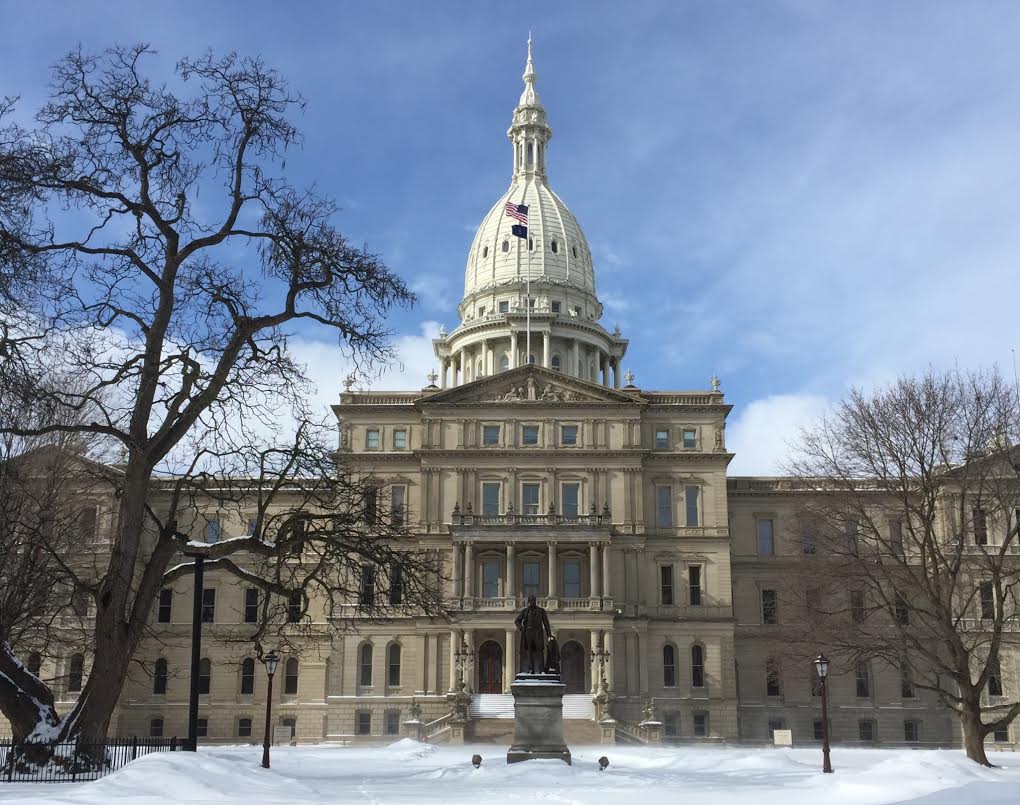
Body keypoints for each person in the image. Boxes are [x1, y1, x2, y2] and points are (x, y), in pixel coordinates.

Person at [515, 594, 552, 674]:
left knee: (540, 651)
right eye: (531, 601)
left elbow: (546, 623)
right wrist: (521, 628)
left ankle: (541, 670)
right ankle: (531, 669)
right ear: (529, 602)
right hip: (528, 633)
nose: (532, 602)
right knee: (529, 651)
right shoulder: (525, 611)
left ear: (535, 601)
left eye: (534, 601)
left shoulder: (541, 611)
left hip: (538, 633)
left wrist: (549, 635)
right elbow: (517, 621)